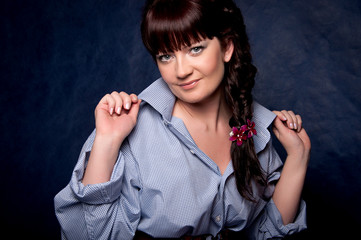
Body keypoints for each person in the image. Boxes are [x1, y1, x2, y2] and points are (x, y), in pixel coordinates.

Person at [54, 0, 311, 239]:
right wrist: (107, 143)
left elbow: (267, 233)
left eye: (195, 49)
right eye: (166, 56)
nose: (181, 71)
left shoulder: (255, 131)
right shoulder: (132, 130)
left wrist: (298, 156)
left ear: (227, 47)